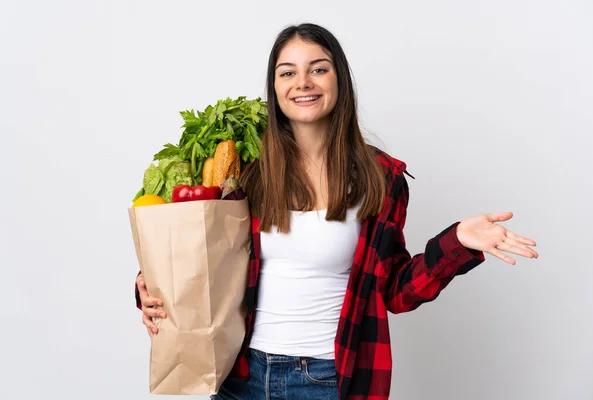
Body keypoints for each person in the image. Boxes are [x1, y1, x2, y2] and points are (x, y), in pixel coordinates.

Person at [134, 23, 538, 400]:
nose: (303, 83)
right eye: (287, 72)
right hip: (240, 376)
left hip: (327, 380)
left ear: (339, 80)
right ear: (274, 88)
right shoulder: (247, 172)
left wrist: (457, 242)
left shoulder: (380, 178)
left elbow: (394, 293)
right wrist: (148, 287)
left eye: (318, 69)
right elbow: (207, 259)